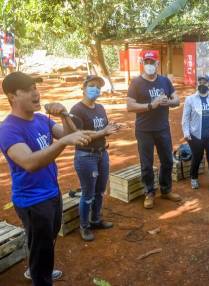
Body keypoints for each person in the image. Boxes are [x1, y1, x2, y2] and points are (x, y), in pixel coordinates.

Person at [0, 72, 93, 285]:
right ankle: (40, 277)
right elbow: (30, 162)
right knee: (41, 246)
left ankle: (38, 269)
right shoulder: (8, 129)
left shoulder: (41, 119)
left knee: (46, 242)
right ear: (12, 96)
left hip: (52, 192)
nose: (36, 93)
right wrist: (62, 143)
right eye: (28, 89)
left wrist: (64, 116)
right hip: (32, 201)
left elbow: (69, 134)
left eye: (36, 87)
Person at [127, 51, 182, 209]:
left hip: (162, 128)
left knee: (167, 160)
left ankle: (166, 190)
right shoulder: (136, 83)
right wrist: (151, 105)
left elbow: (177, 100)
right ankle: (149, 192)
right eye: (147, 62)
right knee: (146, 163)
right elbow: (130, 106)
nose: (150, 65)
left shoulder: (165, 81)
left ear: (158, 64)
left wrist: (168, 102)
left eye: (152, 62)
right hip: (144, 130)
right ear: (143, 63)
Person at [70, 75, 120, 241]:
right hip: (86, 155)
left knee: (100, 191)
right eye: (92, 85)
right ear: (83, 88)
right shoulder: (76, 110)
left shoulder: (100, 108)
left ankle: (96, 219)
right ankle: (84, 226)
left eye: (98, 87)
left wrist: (111, 128)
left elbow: (103, 128)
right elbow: (78, 135)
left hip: (101, 153)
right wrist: (103, 132)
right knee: (88, 193)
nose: (96, 89)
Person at [182, 75, 209, 191]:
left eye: (205, 82)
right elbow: (185, 118)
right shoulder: (190, 99)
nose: (202, 84)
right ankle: (194, 178)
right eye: (200, 82)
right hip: (196, 135)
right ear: (197, 84)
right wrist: (186, 133)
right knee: (197, 157)